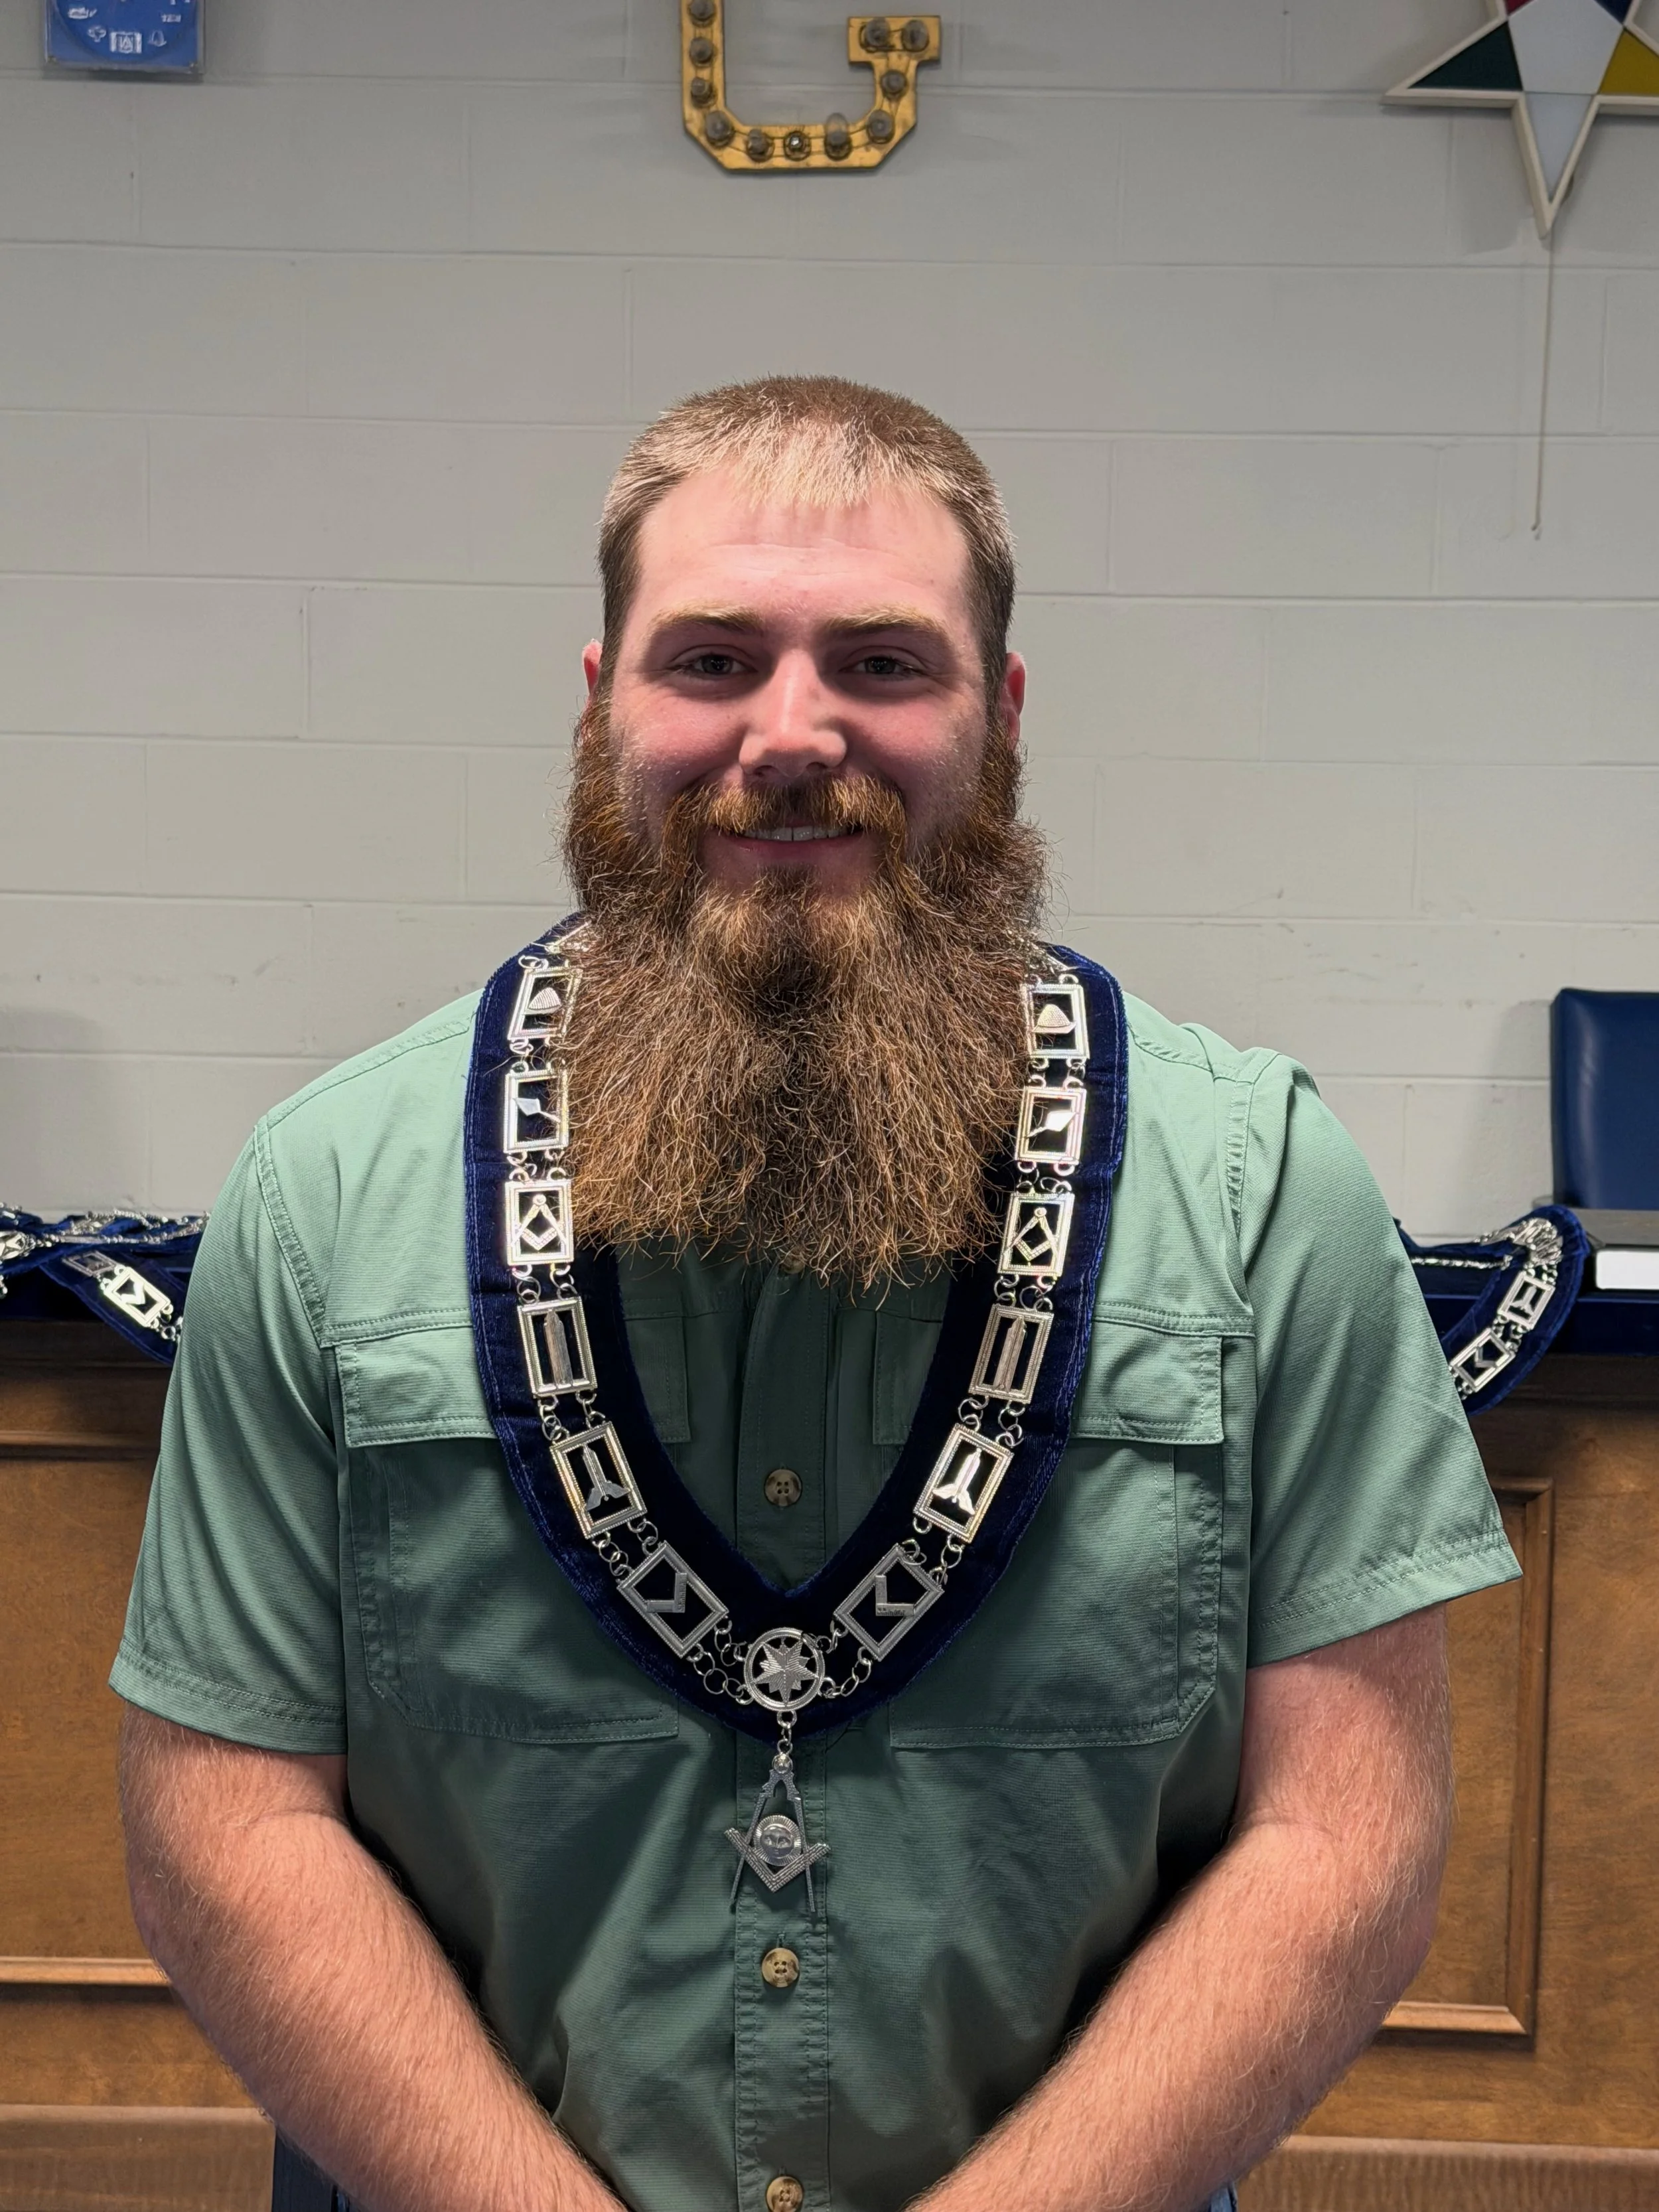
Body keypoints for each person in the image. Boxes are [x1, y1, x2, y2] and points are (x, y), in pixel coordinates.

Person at [113, 376, 1518, 2212]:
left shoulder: (1260, 1200)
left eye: (878, 660)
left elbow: (1343, 1836)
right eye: (708, 659)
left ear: (998, 715)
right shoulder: (320, 1200)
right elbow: (227, 1823)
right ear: (599, 692)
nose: (791, 731)